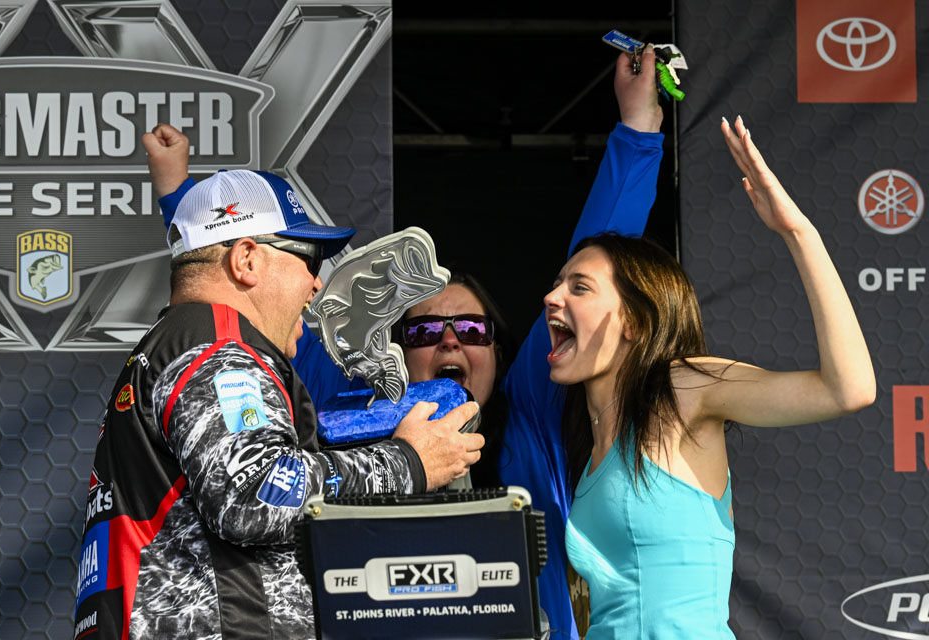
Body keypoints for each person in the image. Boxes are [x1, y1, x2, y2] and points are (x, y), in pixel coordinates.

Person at [145, 46, 666, 639]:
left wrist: (638, 127)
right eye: (424, 330)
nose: (450, 342)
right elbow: (248, 304)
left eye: (472, 329)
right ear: (395, 349)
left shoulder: (529, 412)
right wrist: (181, 200)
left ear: (499, 352)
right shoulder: (352, 415)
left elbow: (599, 272)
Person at [73, 168, 484, 638]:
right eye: (308, 258)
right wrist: (408, 462)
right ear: (246, 260)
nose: (316, 284)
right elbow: (256, 491)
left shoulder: (174, 346)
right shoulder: (220, 351)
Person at [545, 117, 875, 637]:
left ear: (634, 321)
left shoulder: (681, 388)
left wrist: (798, 232)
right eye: (557, 283)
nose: (551, 297)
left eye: (579, 287)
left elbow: (849, 389)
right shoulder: (589, 450)